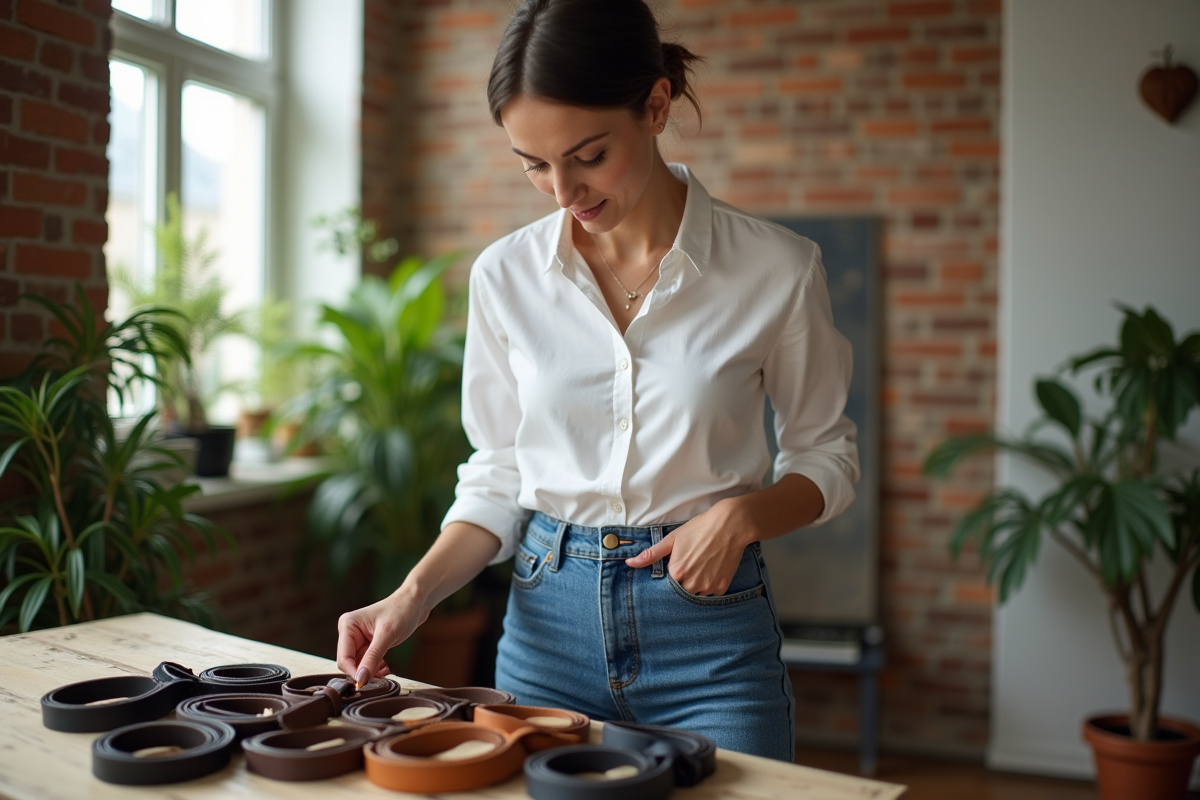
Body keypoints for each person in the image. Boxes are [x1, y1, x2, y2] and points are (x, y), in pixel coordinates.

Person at [335, 0, 859, 762]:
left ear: (655, 105)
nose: (563, 192)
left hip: (710, 634)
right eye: (534, 165)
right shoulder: (506, 276)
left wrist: (741, 517)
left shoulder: (776, 269)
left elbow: (826, 459)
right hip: (547, 634)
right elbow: (498, 476)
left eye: (587, 155)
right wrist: (409, 598)